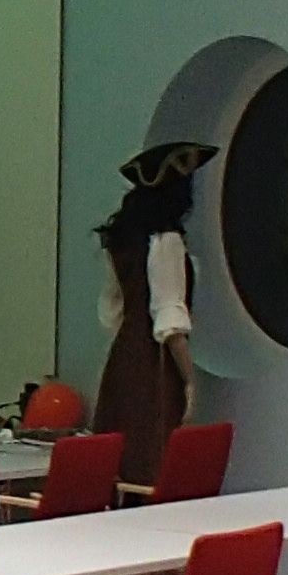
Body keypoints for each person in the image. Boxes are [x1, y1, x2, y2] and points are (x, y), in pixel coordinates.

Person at [91, 140, 210, 486]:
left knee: (120, 461)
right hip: (155, 365)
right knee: (151, 462)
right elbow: (169, 320)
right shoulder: (166, 241)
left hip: (123, 358)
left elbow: (113, 310)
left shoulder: (122, 240)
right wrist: (189, 380)